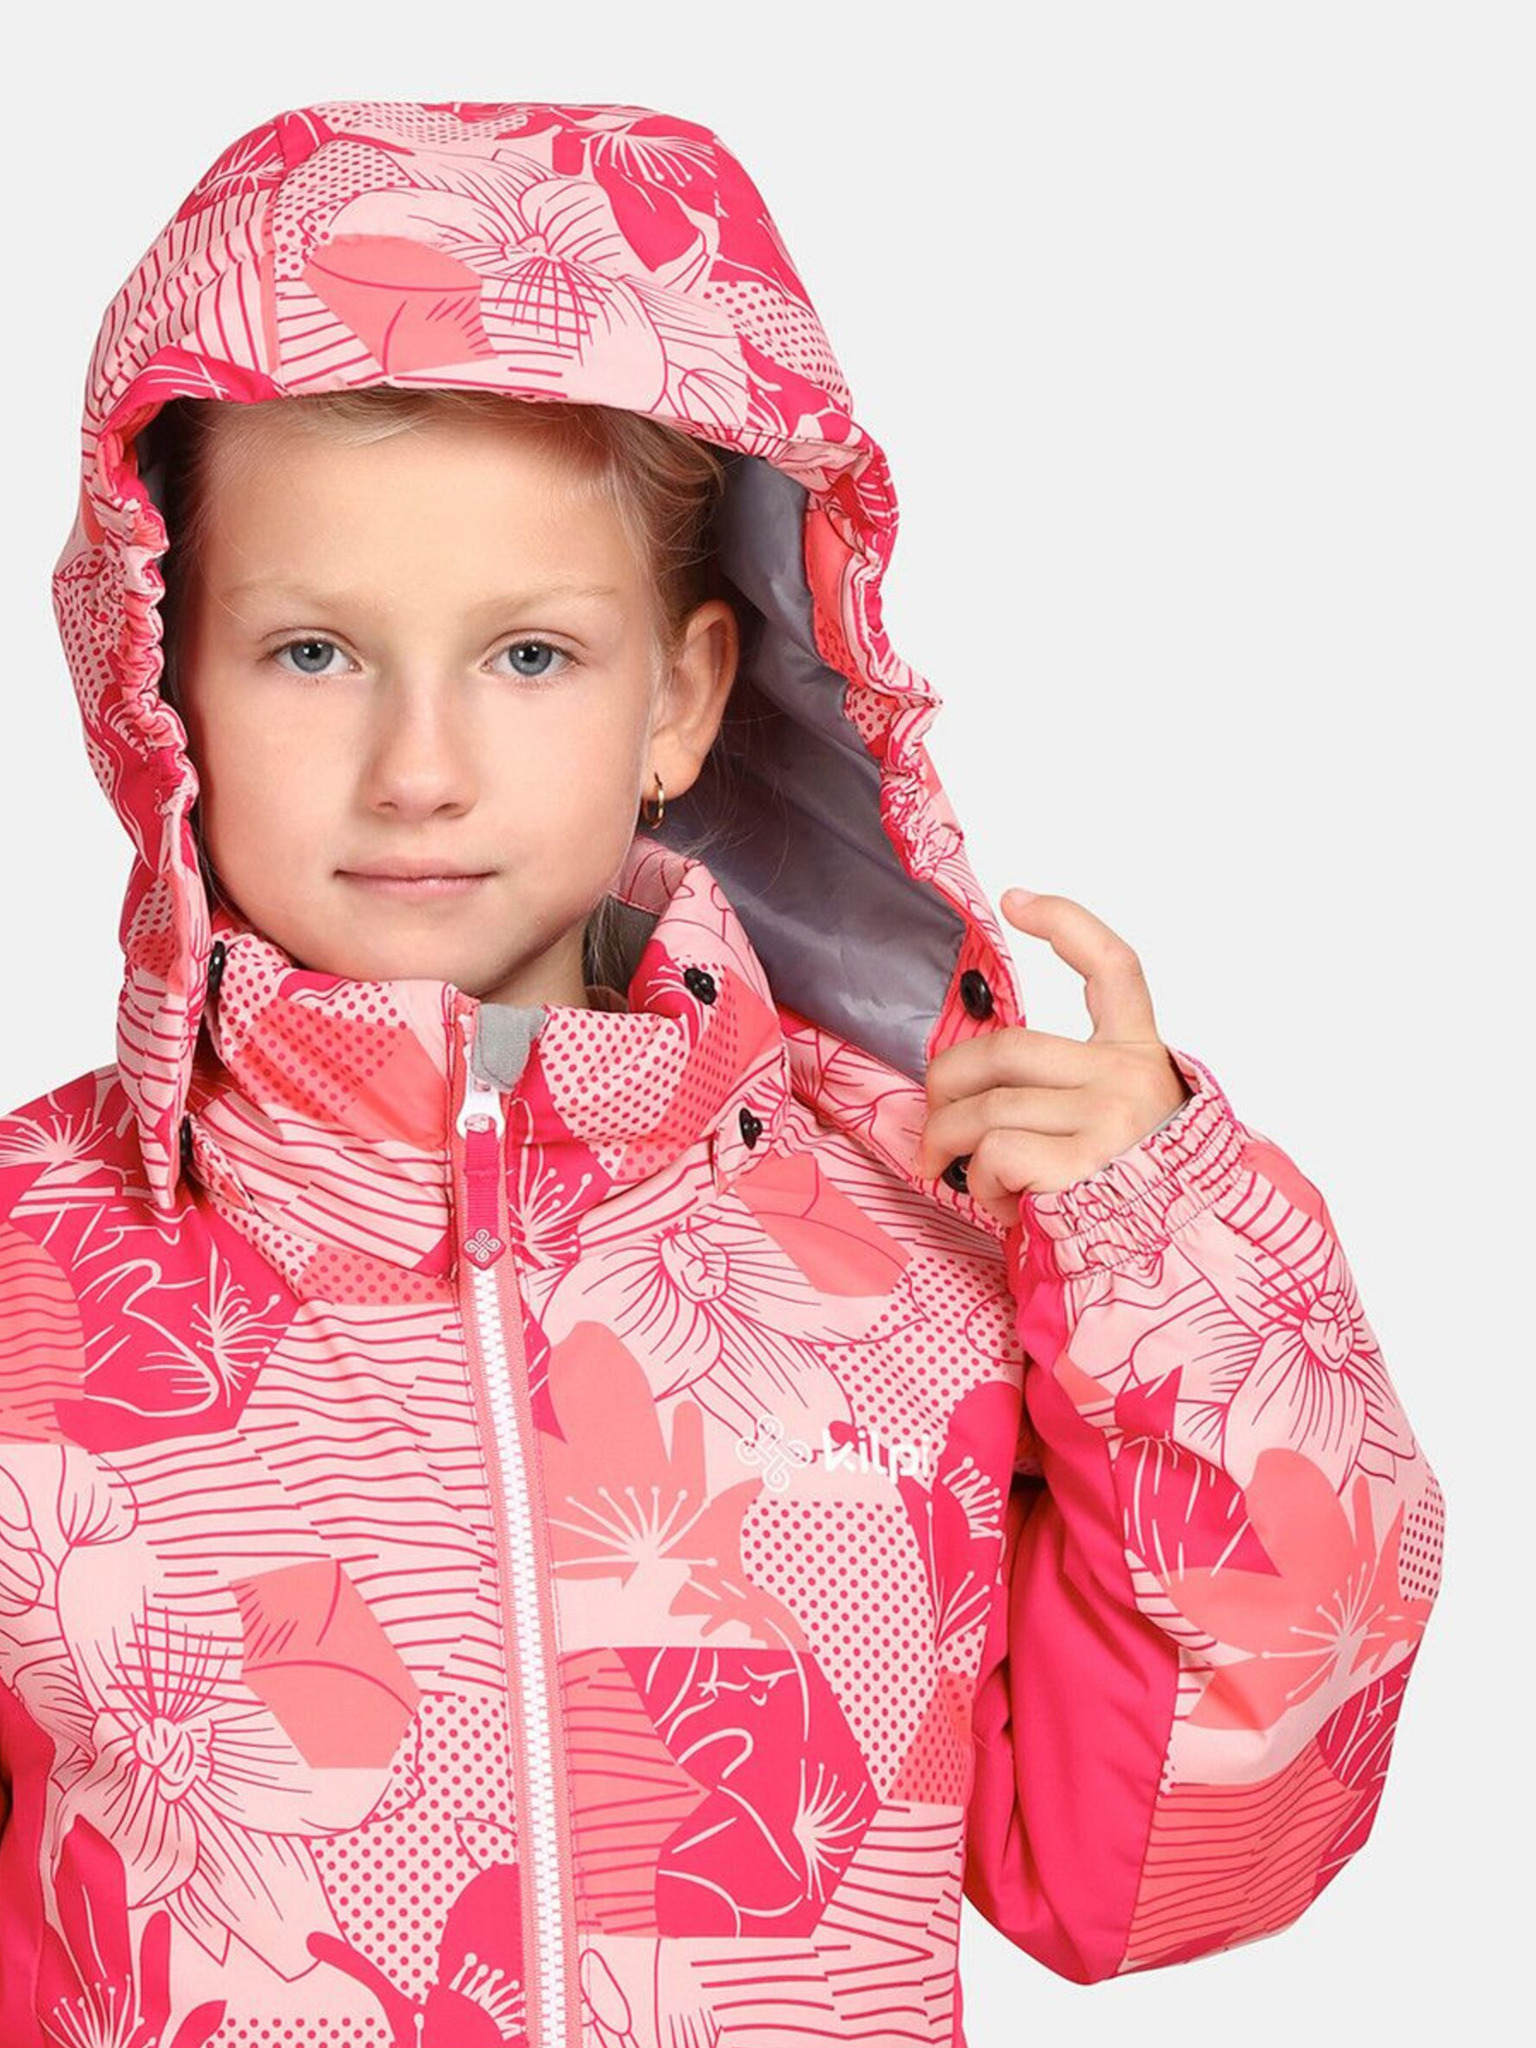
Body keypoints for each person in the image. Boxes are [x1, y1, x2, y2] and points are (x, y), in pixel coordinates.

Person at [0, 98, 1444, 2048]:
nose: (419, 770)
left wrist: (1188, 1282)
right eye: (314, 652)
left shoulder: (919, 1252)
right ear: (158, 678)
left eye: (528, 656)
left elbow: (1185, 1861)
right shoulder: (35, 1275)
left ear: (681, 695)